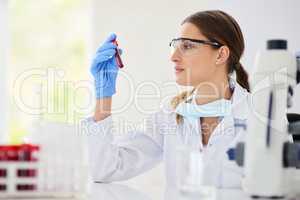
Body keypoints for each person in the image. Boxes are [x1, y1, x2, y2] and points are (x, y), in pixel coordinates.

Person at [84, 10, 250, 188]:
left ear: (221, 54)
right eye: (175, 45)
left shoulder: (258, 115)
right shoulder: (170, 116)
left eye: (187, 46)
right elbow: (105, 169)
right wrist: (104, 96)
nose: (173, 57)